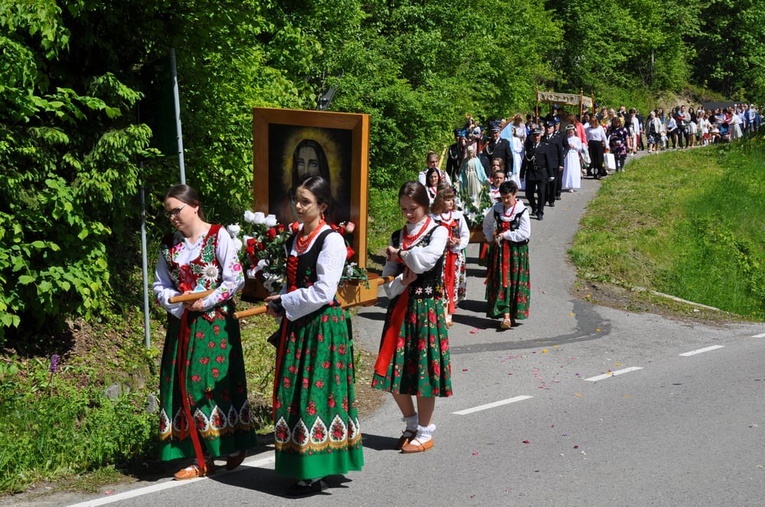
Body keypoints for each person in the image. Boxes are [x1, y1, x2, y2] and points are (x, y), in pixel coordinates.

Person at [264, 176, 364, 496]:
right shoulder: (295, 239)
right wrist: (280, 302)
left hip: (322, 327)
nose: (298, 205)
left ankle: (314, 471)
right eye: (297, 199)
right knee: (293, 393)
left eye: (305, 201)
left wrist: (286, 303)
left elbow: (323, 291)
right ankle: (305, 463)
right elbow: (292, 281)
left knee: (315, 395)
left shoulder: (330, 240)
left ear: (322, 206)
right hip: (299, 325)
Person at [153, 184, 256, 480]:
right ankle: (200, 455)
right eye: (168, 213)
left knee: (209, 384)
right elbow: (160, 284)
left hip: (215, 324)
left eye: (177, 210)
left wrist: (206, 301)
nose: (172, 217)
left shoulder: (217, 235)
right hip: (183, 323)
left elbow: (234, 278)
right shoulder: (168, 243)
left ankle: (226, 443)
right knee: (179, 384)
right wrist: (178, 305)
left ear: (194, 205)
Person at [372, 181, 452, 454]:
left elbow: (424, 261)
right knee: (394, 369)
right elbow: (390, 282)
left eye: (413, 209)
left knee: (423, 373)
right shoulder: (398, 236)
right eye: (404, 209)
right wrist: (403, 280)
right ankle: (411, 422)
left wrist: (403, 256)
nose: (408, 214)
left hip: (426, 309)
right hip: (401, 309)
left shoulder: (438, 232)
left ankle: (426, 431)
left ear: (425, 205)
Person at [482, 180, 531, 330]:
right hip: (500, 253)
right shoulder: (497, 209)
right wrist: (490, 239)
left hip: (517, 253)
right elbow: (487, 224)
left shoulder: (522, 210)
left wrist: (506, 235)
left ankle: (513, 313)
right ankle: (505, 315)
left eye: (508, 197)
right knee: (502, 281)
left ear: (515, 194)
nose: (505, 201)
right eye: (503, 197)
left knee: (514, 281)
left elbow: (525, 233)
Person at [431, 187, 469, 328]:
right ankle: (441, 310)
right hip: (440, 255)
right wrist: (442, 242)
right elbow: (429, 235)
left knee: (452, 281)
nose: (451, 202)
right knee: (440, 282)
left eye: (452, 199)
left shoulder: (458, 216)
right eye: (447, 200)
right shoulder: (433, 218)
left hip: (454, 255)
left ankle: (449, 314)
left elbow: (465, 234)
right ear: (441, 201)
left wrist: (457, 242)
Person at [562, 124, 583, 192]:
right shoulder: (565, 139)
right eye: (568, 132)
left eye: (571, 132)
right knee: (567, 169)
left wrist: (574, 146)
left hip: (574, 155)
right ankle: (567, 184)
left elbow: (580, 148)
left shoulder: (577, 139)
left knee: (573, 170)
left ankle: (573, 185)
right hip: (567, 156)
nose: (570, 133)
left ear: (574, 131)